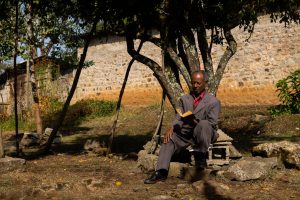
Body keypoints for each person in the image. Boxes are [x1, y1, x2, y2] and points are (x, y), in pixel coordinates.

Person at [144, 70, 220, 184]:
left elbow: (212, 123)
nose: (195, 86)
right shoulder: (185, 99)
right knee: (169, 138)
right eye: (193, 83)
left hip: (204, 134)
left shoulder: (213, 101)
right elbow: (178, 117)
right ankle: (161, 172)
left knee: (203, 124)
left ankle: (200, 157)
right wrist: (172, 127)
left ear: (205, 83)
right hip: (187, 133)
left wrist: (194, 121)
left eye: (198, 83)